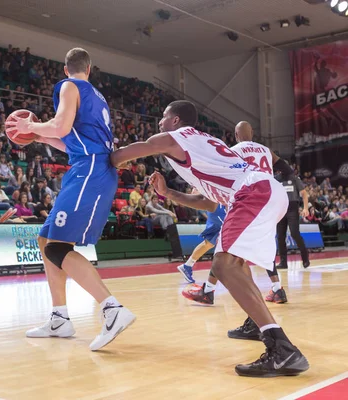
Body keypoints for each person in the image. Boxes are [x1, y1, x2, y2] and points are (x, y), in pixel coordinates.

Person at [110, 100, 309, 377]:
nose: (160, 122)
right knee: (236, 264)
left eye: (164, 117)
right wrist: (168, 194)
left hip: (253, 193)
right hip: (264, 192)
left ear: (176, 120)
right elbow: (208, 202)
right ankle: (258, 325)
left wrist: (99, 152)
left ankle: (282, 349)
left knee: (223, 265)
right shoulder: (203, 143)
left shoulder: (173, 137)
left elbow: (129, 153)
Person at [6, 48, 136, 351]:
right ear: (88, 69)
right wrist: (40, 136)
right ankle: (59, 317)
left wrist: (30, 127)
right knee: (45, 239)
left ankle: (112, 309)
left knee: (57, 248)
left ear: (67, 70)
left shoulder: (68, 87)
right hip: (88, 164)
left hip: (90, 170)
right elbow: (70, 141)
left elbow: (61, 127)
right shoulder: (96, 96)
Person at [182, 122, 289, 306]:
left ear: (236, 135)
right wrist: (272, 179)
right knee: (263, 246)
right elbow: (288, 171)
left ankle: (208, 291)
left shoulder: (233, 150)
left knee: (225, 244)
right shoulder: (265, 150)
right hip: (271, 198)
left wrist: (201, 188)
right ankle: (277, 289)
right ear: (252, 133)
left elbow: (220, 174)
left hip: (248, 199)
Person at [177, 203, 226, 285]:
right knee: (214, 241)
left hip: (223, 206)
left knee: (210, 243)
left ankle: (187, 266)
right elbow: (195, 193)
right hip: (219, 207)